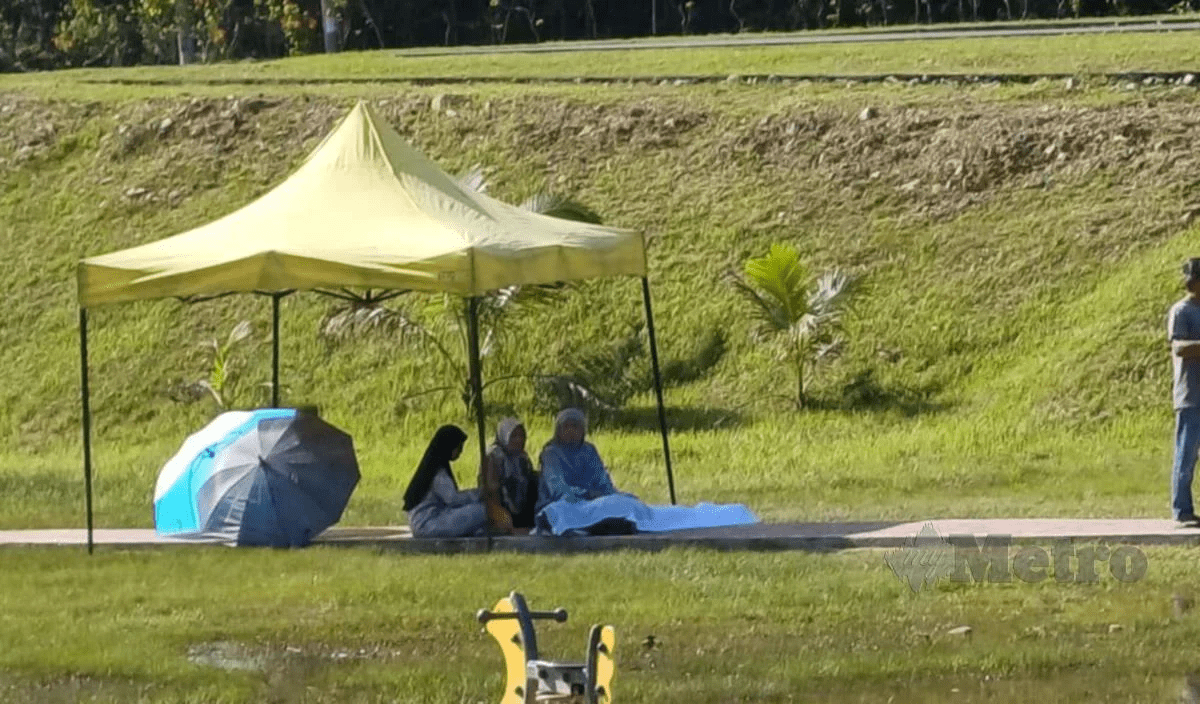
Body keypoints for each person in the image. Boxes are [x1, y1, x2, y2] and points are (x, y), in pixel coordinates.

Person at [536, 408, 633, 515]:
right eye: (566, 426)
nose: (571, 431)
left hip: (591, 503)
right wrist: (586, 495)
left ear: (583, 430)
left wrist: (614, 496)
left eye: (575, 426)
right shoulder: (551, 453)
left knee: (629, 502)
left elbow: (602, 481)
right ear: (558, 431)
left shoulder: (589, 450)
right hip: (558, 505)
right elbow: (557, 490)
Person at [403, 425, 490, 538]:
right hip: (428, 523)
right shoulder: (438, 473)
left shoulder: (434, 466)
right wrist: (478, 494)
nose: (461, 451)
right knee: (482, 510)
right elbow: (453, 499)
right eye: (458, 447)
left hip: (430, 519)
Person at [1169, 258, 1200, 527]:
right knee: (1186, 454)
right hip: (1190, 396)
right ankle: (1182, 510)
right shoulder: (1181, 311)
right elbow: (1180, 347)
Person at [482, 418, 539, 530]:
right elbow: (490, 489)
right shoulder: (493, 456)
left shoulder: (522, 457)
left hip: (521, 504)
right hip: (499, 505)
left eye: (521, 436)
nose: (519, 440)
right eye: (514, 436)